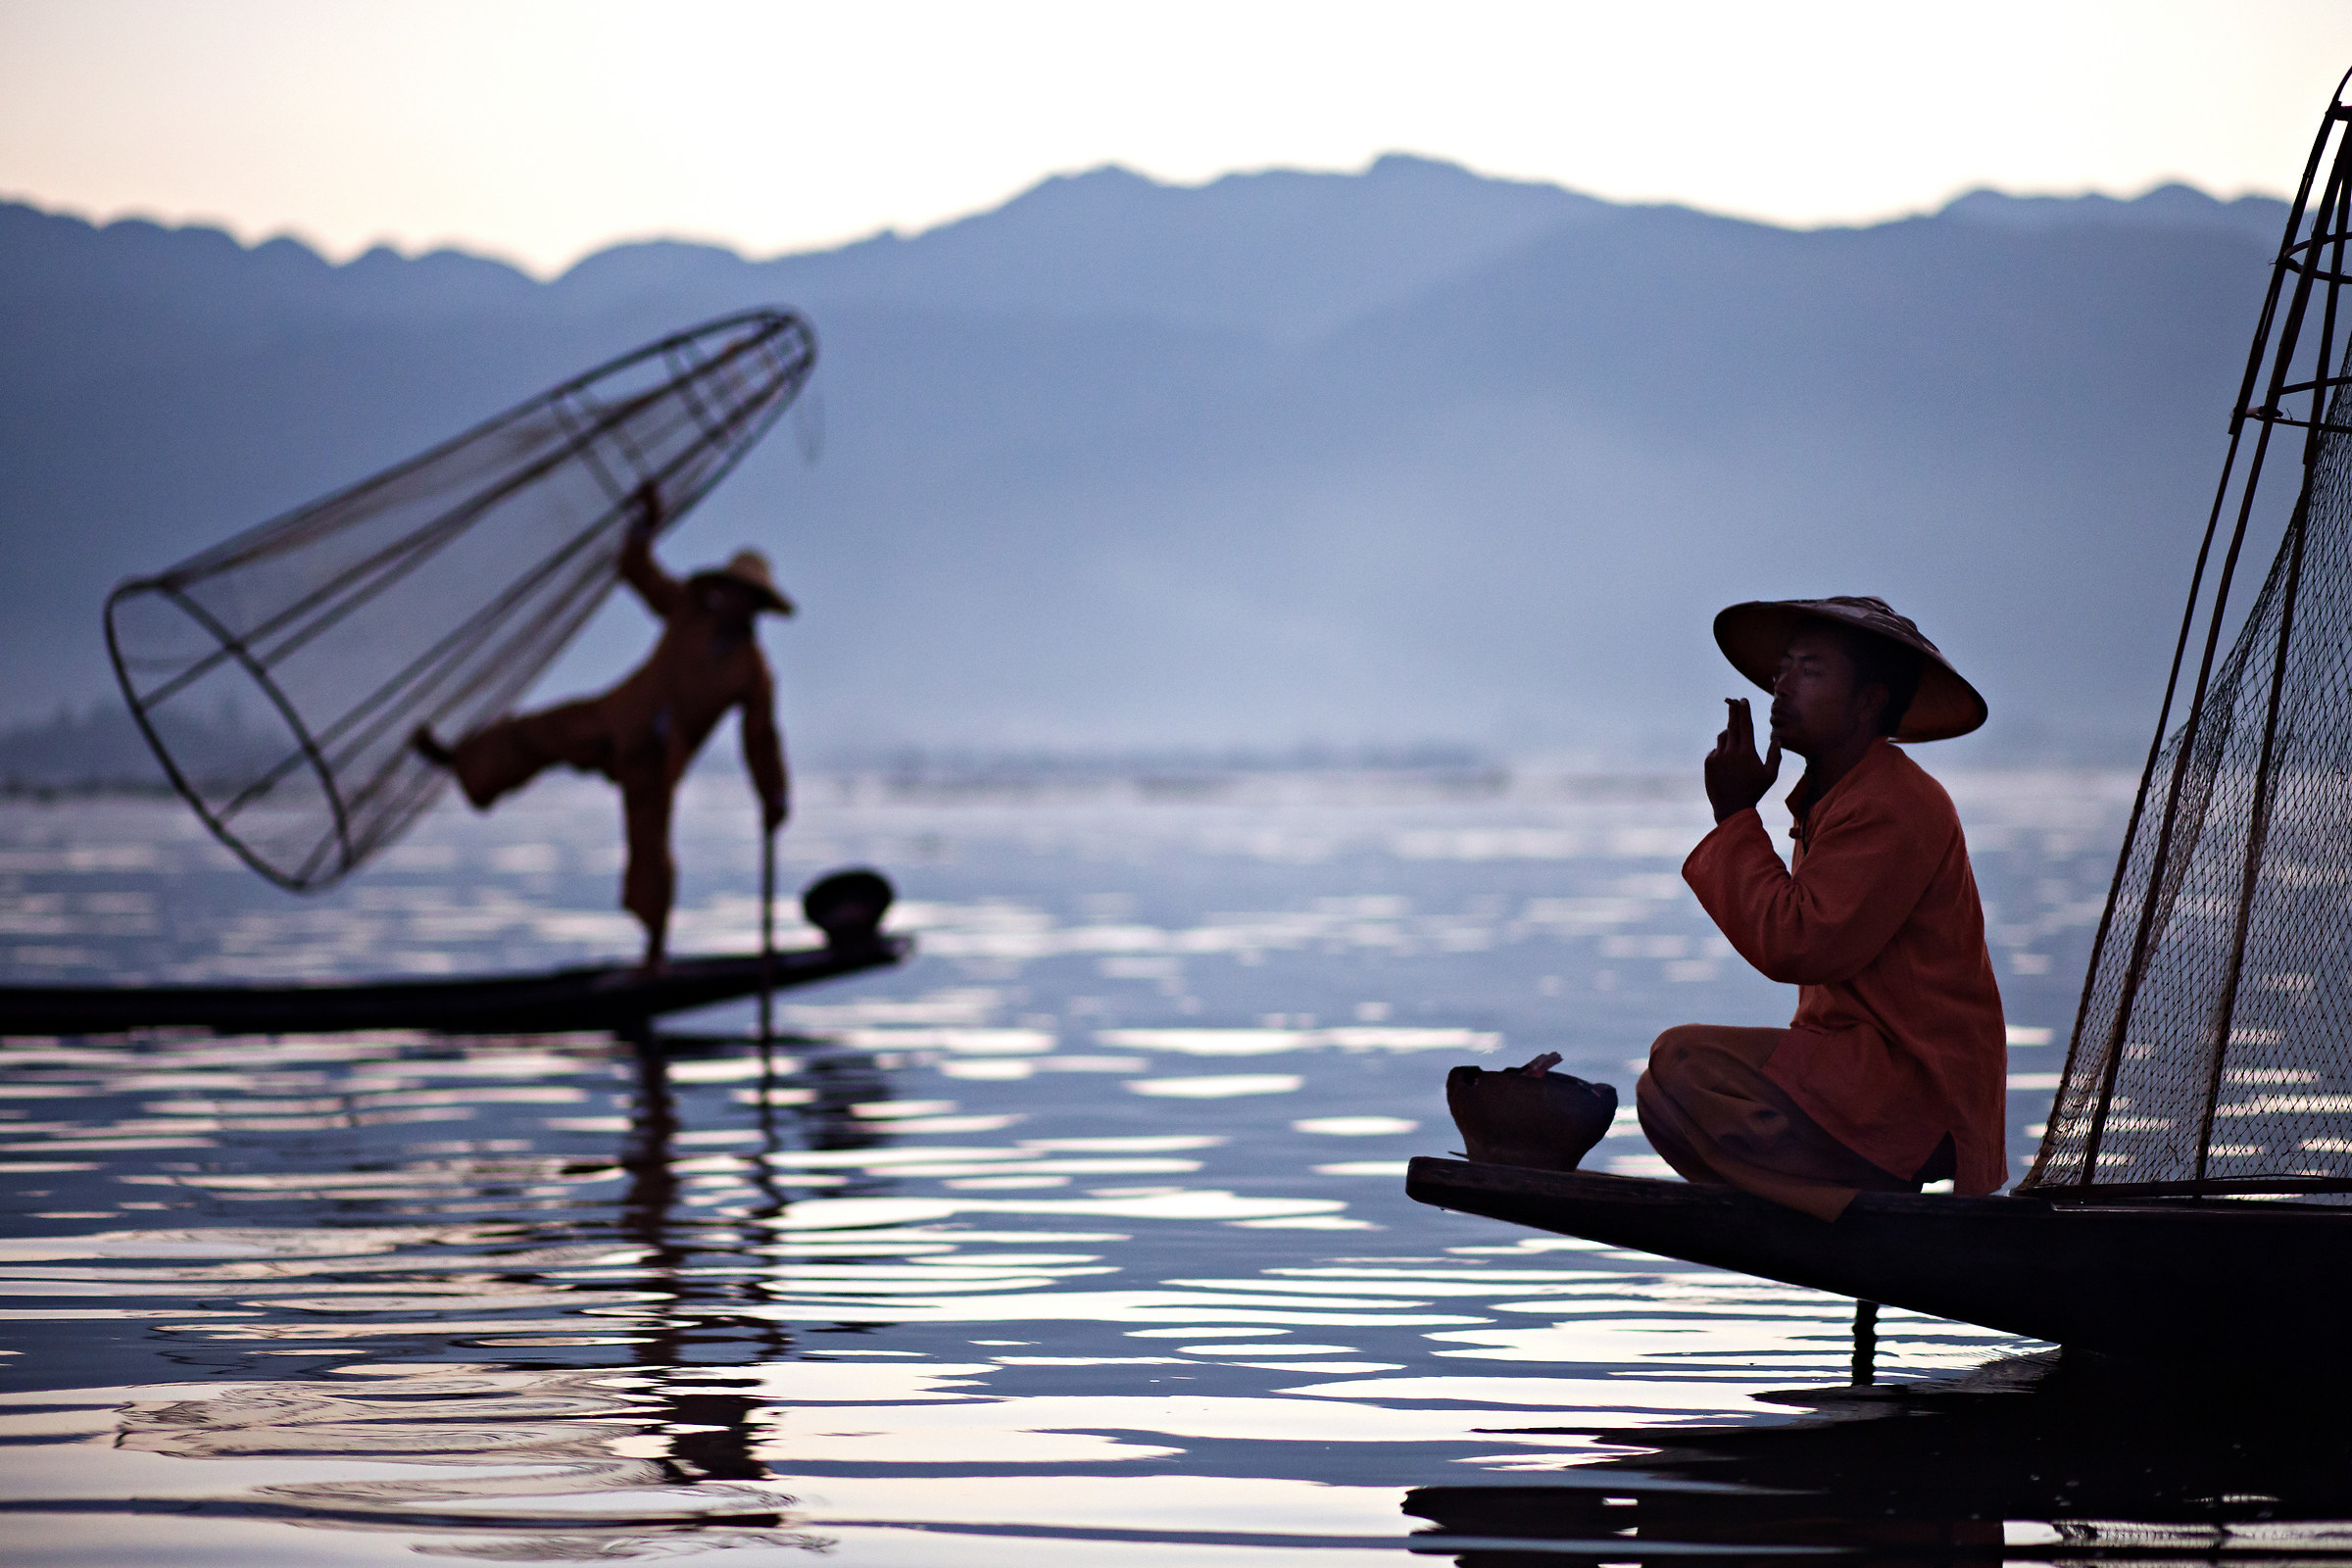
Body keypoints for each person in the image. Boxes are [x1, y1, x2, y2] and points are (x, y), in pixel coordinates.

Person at [1635, 596, 2006, 1221]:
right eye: (1784, 667)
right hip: (1859, 1081)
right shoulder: (1835, 798)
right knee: (1659, 1094)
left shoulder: (1895, 800)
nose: (1781, 686)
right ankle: (1832, 1201)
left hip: (1915, 1090)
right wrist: (1744, 816)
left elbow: (1799, 942)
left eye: (1810, 670)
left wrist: (1734, 817)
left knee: (1681, 1065)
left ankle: (1841, 1206)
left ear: (1868, 701)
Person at [412, 484, 791, 970]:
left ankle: (654, 953)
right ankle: (460, 759)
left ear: (756, 605)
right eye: (734, 592)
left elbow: (761, 742)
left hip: (657, 755)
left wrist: (773, 798)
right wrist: (644, 526)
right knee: (534, 733)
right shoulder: (688, 610)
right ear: (725, 591)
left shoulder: (750, 670)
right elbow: (640, 574)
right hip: (617, 718)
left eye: (748, 598)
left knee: (651, 845)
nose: (737, 603)